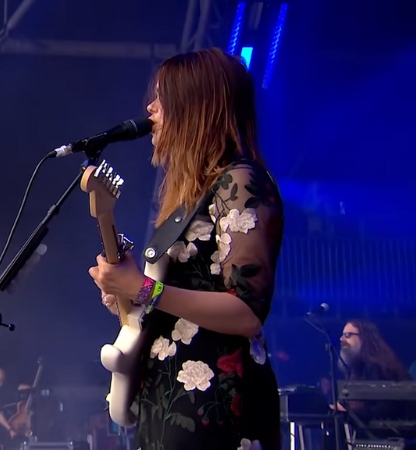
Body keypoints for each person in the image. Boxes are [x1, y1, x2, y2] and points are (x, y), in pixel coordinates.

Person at [89, 48, 284, 450]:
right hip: (167, 399)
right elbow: (176, 299)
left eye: (163, 97)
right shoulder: (189, 195)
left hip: (216, 405)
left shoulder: (241, 182)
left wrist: (143, 290)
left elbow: (247, 312)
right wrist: (128, 296)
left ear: (195, 107)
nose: (150, 108)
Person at [335, 319, 412, 421]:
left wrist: (348, 412)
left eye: (348, 335)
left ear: (364, 337)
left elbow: (386, 409)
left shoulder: (376, 366)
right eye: (342, 335)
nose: (342, 339)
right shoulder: (356, 369)